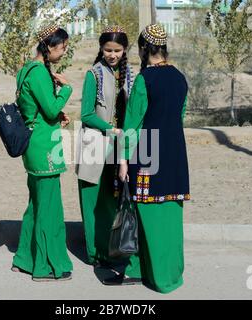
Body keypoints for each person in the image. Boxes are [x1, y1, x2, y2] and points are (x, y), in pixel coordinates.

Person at [103, 24, 190, 293]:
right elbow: (181, 115)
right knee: (170, 218)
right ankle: (170, 274)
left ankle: (154, 276)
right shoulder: (180, 77)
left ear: (143, 49)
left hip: (149, 154)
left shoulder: (144, 80)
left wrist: (124, 160)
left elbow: (132, 124)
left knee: (146, 216)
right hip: (175, 154)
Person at [11, 24, 74, 281]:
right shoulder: (38, 73)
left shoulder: (27, 68)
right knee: (49, 208)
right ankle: (46, 267)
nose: (64, 52)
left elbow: (34, 108)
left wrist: (56, 112)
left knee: (36, 205)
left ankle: (24, 258)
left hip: (34, 143)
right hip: (44, 147)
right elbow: (48, 110)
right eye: (63, 47)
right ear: (48, 47)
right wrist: (67, 90)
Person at [75, 26, 135, 266]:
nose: (112, 54)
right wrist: (110, 128)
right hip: (94, 144)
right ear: (101, 48)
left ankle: (110, 248)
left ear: (124, 50)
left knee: (111, 200)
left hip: (116, 147)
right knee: (91, 202)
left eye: (117, 50)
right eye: (108, 50)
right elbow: (86, 114)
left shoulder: (126, 74)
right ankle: (94, 254)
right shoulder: (94, 74)